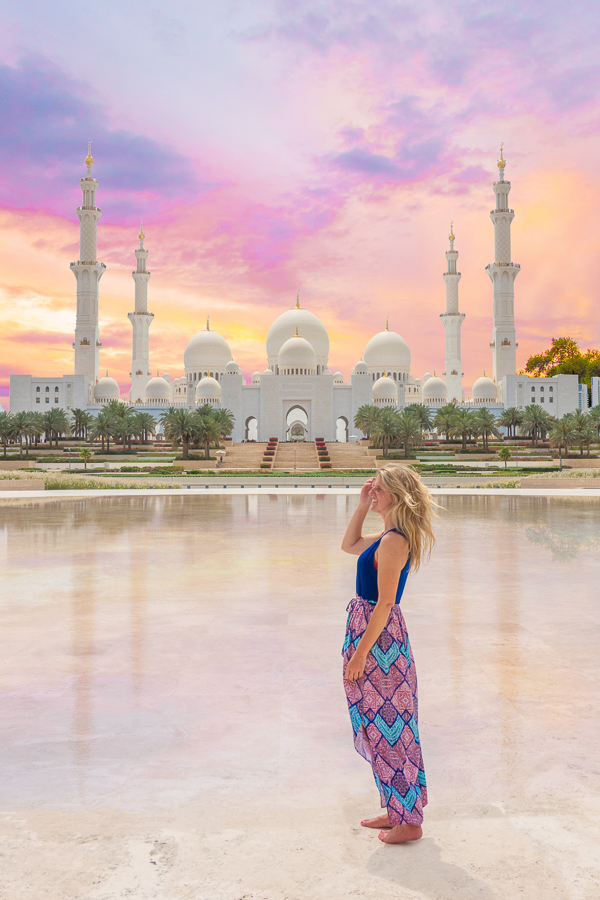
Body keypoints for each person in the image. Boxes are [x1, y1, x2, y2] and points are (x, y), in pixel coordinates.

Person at [341, 465, 437, 844]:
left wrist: (361, 654)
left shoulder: (395, 541)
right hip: (371, 635)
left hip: (380, 644)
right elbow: (349, 545)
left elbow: (384, 604)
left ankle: (409, 822)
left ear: (397, 494)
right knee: (381, 725)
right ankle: (398, 808)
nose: (373, 491)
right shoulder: (386, 536)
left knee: (391, 728)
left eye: (378, 489)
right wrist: (363, 506)